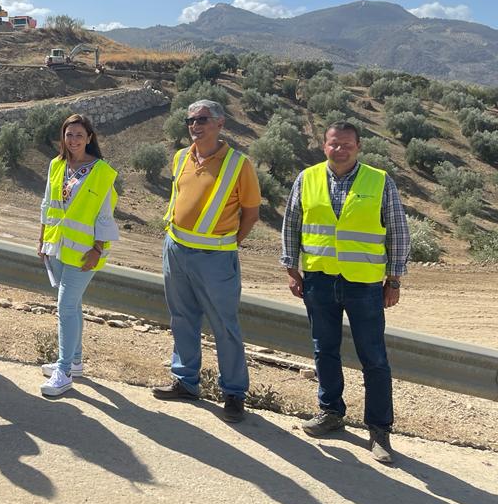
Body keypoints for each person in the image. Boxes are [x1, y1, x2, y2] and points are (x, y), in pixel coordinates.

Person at [282, 121, 409, 463]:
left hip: (364, 283)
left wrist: (393, 279)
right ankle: (331, 412)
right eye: (334, 144)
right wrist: (291, 268)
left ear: (358, 146)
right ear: (324, 146)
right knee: (324, 350)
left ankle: (379, 431)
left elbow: (398, 231)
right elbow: (292, 223)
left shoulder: (379, 180)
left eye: (347, 144)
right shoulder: (306, 179)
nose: (340, 149)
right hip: (319, 279)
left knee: (374, 358)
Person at [153, 99, 260, 423]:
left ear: (220, 124)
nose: (194, 125)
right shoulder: (181, 157)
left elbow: (252, 213)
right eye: (190, 120)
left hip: (216, 257)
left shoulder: (239, 165)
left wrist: (230, 242)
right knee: (182, 318)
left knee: (224, 327)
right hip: (176, 251)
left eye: (201, 119)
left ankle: (234, 393)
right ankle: (185, 381)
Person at [37, 114, 119, 397]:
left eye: (79, 135)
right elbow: (48, 204)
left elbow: (105, 214)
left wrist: (99, 249)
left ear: (90, 138)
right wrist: (42, 239)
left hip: (85, 253)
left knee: (66, 308)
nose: (73, 140)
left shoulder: (101, 171)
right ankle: (76, 360)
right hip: (58, 246)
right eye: (69, 135)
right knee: (73, 306)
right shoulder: (56, 165)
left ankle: (64, 371)